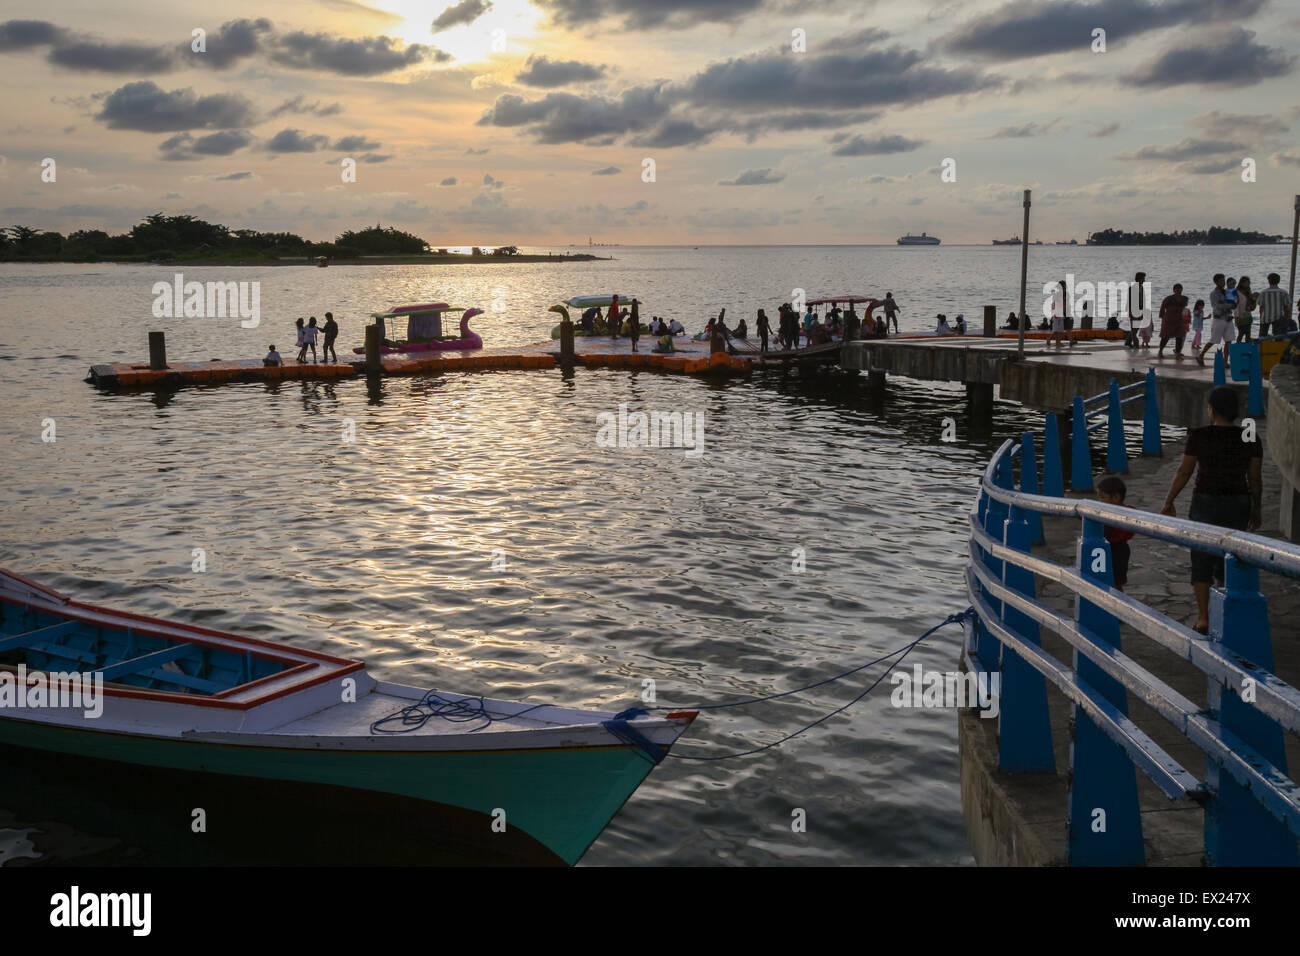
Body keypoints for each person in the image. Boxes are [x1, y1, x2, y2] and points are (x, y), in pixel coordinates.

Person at [1160, 386, 1263, 634]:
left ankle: (1203, 617)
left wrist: (1169, 500)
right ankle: (1227, 606)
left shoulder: (1199, 435)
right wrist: (1256, 507)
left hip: (1205, 501)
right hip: (1238, 500)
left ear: (1212, 410)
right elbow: (1255, 478)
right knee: (1232, 555)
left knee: (1202, 557)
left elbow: (1184, 471)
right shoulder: (1249, 436)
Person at [1096, 475, 1135, 592]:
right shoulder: (1130, 512)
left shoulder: (1113, 516)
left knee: (1115, 583)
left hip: (1116, 551)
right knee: (1116, 582)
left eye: (1103, 497)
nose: (1100, 501)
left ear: (1116, 497)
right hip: (1120, 549)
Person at [1197, 274, 1233, 369]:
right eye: (1221, 281)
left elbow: (1233, 303)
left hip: (1228, 318)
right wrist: (1229, 305)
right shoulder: (1214, 293)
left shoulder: (1227, 292)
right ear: (1216, 282)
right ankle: (1201, 355)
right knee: (1214, 340)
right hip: (1219, 319)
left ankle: (1225, 361)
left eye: (1224, 280)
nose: (1223, 282)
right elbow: (1217, 306)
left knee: (1229, 341)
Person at [1157, 282, 1189, 358]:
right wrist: (1162, 317)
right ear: (1173, 290)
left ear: (1182, 290)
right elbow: (1162, 308)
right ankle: (1160, 351)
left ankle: (1178, 353)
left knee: (1180, 336)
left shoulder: (1184, 298)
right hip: (1169, 320)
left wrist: (1186, 319)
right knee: (1165, 337)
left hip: (1179, 320)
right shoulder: (1168, 298)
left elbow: (1185, 308)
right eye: (1177, 289)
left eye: (1180, 289)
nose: (1178, 291)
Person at [1258, 272, 1288, 338]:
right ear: (1278, 281)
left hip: (1265, 317)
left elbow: (1261, 307)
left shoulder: (1263, 293)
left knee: (1262, 337)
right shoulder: (1284, 292)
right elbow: (1286, 308)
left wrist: (1261, 317)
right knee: (1278, 337)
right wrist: (1286, 319)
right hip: (1279, 318)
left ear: (1269, 281)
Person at [1233, 276, 1256, 342]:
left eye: (1249, 282)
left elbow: (1251, 301)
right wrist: (1238, 316)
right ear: (1242, 283)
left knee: (1248, 334)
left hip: (1247, 314)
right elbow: (1236, 305)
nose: (1249, 283)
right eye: (1247, 282)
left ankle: (1247, 348)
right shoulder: (1236, 291)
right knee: (1241, 333)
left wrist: (1254, 298)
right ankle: (1238, 347)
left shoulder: (1248, 290)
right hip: (1239, 315)